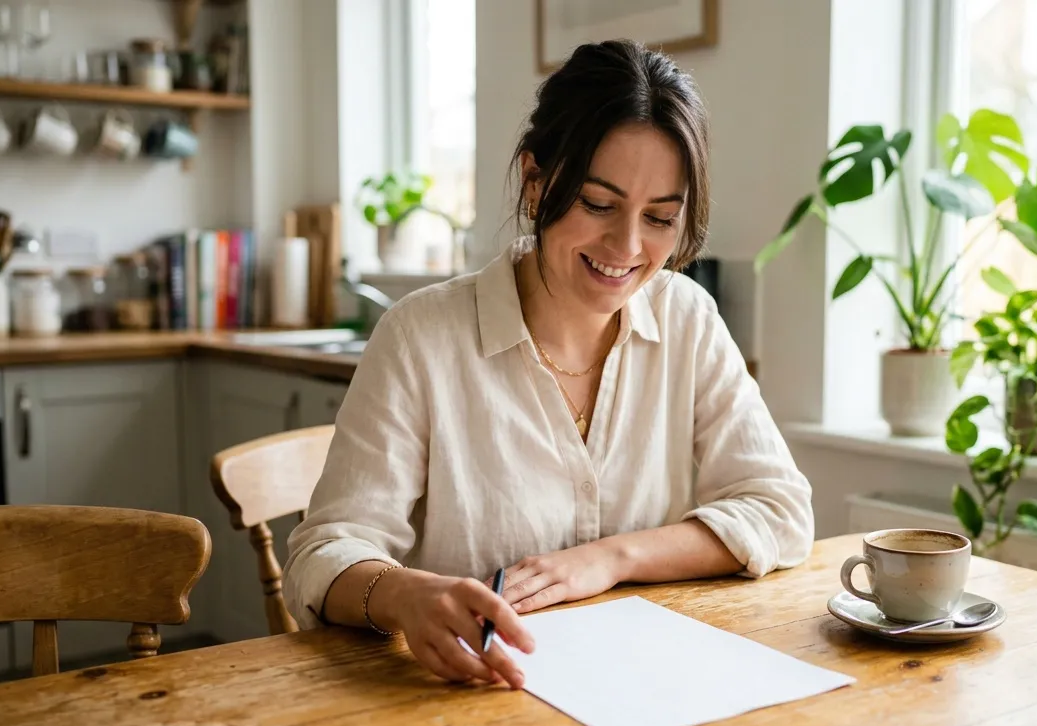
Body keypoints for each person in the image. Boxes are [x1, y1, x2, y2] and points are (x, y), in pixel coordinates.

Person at [282, 39, 814, 690]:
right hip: (466, 701)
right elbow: (323, 550)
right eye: (598, 204)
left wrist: (611, 559)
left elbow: (780, 509)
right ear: (536, 182)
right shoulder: (421, 337)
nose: (626, 247)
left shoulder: (687, 319)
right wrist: (404, 596)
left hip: (645, 690)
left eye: (660, 217)